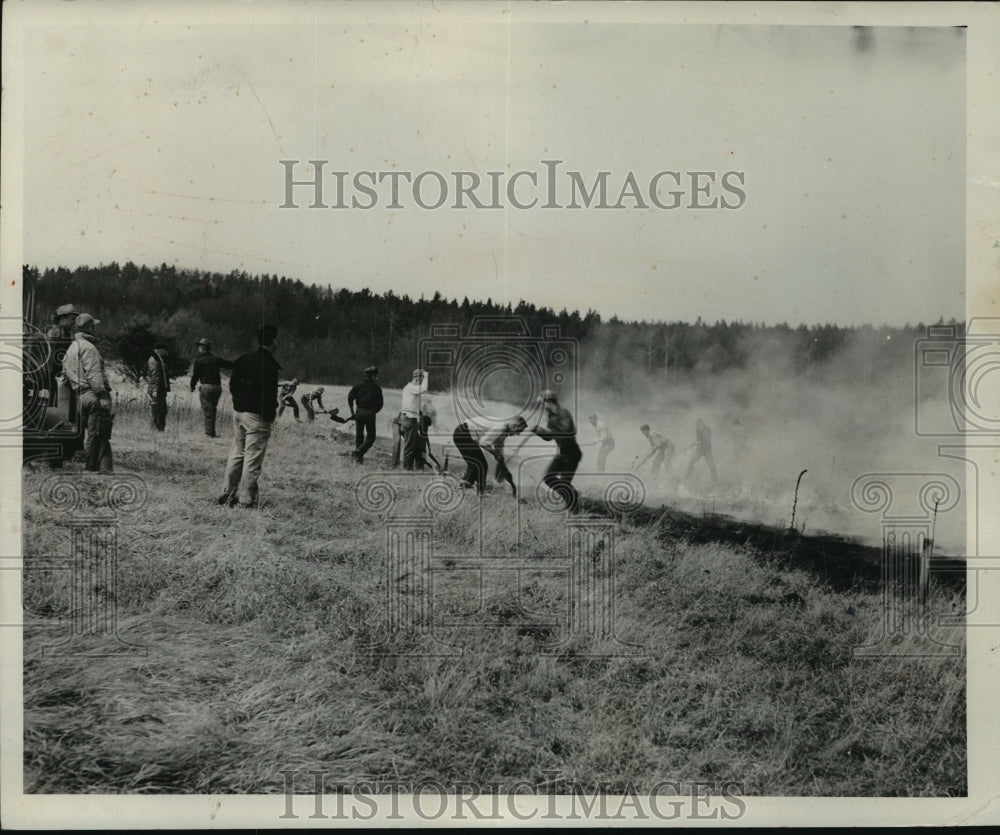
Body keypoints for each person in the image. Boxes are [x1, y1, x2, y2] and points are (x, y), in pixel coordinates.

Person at [219, 324, 281, 509]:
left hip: (238, 412)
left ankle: (227, 494)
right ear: (274, 342)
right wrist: (269, 416)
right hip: (256, 417)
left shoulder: (244, 359)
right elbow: (269, 397)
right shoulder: (270, 365)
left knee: (237, 454)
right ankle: (246, 500)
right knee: (252, 459)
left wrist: (239, 401)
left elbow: (233, 384)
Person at [61, 313, 113, 473]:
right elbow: (94, 375)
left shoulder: (72, 347)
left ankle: (95, 468)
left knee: (89, 434)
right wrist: (103, 396)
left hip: (79, 396)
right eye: (93, 326)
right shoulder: (89, 348)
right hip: (93, 395)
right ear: (90, 328)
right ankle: (95, 470)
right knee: (98, 434)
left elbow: (64, 373)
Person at [530, 390, 582, 513]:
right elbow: (549, 437)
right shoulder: (551, 417)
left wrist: (544, 431)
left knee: (564, 484)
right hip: (561, 454)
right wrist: (537, 431)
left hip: (571, 454)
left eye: (542, 404)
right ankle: (573, 497)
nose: (541, 407)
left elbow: (567, 432)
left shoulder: (563, 413)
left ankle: (575, 510)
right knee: (548, 478)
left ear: (549, 401)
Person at [452, 415, 527, 496]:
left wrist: (501, 459)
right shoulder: (501, 427)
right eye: (519, 431)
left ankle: (464, 487)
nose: (518, 434)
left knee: (475, 464)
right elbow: (483, 443)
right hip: (464, 433)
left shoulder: (504, 429)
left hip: (463, 433)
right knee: (480, 464)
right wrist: (496, 454)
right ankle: (480, 491)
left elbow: (498, 445)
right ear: (514, 426)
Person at [189, 337, 234, 438]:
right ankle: (212, 432)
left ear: (203, 348)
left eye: (199, 346)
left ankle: (209, 433)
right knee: (213, 409)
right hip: (217, 388)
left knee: (207, 410)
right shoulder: (216, 359)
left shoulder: (199, 360)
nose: (198, 348)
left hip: (206, 387)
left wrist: (192, 386)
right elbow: (229, 365)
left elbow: (195, 375)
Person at [347, 366, 384, 463]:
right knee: (371, 438)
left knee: (359, 436)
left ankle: (358, 459)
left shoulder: (357, 386)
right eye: (375, 376)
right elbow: (380, 404)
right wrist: (373, 411)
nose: (376, 378)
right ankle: (358, 452)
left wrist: (352, 412)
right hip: (370, 413)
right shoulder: (377, 388)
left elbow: (350, 398)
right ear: (372, 376)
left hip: (359, 412)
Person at [399, 368, 429, 471]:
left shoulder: (410, 388)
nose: (421, 382)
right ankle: (407, 469)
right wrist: (426, 376)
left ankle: (411, 467)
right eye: (421, 379)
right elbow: (424, 389)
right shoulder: (411, 388)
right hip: (409, 419)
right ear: (417, 378)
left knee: (414, 445)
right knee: (409, 446)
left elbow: (414, 404)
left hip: (411, 418)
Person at [147, 342, 172, 431]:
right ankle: (154, 429)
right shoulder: (154, 360)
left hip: (160, 389)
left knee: (162, 410)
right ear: (160, 350)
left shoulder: (158, 359)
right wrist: (154, 390)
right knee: (156, 410)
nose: (166, 352)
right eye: (165, 350)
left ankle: (160, 429)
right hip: (157, 389)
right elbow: (155, 375)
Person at [685, 418, 718, 484]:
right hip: (699, 449)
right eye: (697, 425)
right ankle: (686, 479)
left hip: (707, 449)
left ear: (702, 423)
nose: (699, 426)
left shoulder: (707, 430)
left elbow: (706, 440)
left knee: (711, 465)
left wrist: (696, 442)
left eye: (699, 424)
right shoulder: (697, 430)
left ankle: (715, 481)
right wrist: (693, 443)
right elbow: (698, 438)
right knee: (691, 462)